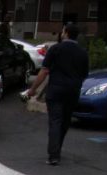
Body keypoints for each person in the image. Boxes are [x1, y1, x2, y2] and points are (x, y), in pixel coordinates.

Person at [25, 23, 89, 165]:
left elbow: (44, 71)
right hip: (72, 91)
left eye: (62, 31)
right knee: (65, 121)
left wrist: (33, 89)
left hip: (56, 89)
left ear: (65, 33)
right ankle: (57, 147)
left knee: (55, 120)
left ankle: (54, 155)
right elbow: (85, 74)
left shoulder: (56, 49)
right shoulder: (82, 52)